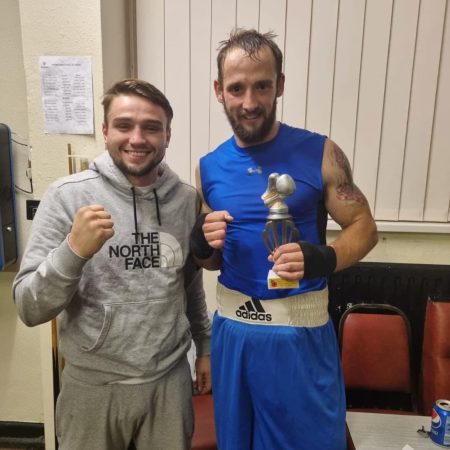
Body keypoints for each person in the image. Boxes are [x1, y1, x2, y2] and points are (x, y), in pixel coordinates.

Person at [190, 29, 378, 450]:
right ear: (219, 91)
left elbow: (365, 227)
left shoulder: (322, 152)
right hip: (233, 333)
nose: (250, 102)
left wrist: (322, 258)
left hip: (299, 333)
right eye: (236, 88)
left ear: (280, 85)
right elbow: (212, 261)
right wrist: (201, 247)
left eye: (262, 85)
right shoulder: (208, 167)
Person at [13, 79, 212, 450]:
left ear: (168, 135)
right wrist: (73, 251)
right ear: (105, 131)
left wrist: (205, 347)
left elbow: (189, 284)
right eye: (124, 125)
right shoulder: (67, 196)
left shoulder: (185, 199)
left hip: (168, 385)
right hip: (92, 389)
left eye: (151, 127)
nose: (137, 138)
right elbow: (28, 306)